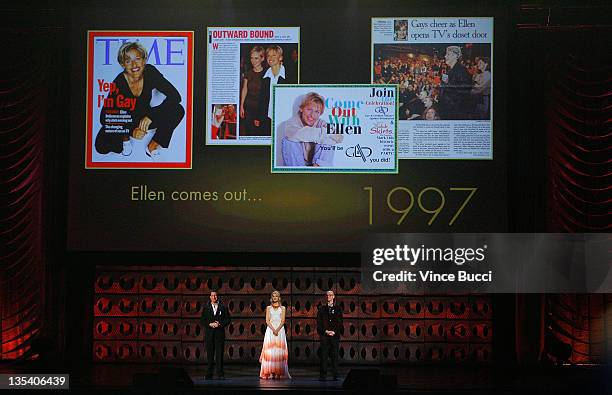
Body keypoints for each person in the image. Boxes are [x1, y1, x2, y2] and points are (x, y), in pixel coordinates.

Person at [95, 41, 185, 160]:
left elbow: (175, 96)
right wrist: (131, 131)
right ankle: (125, 138)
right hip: (127, 120)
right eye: (128, 61)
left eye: (138, 59)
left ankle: (152, 147)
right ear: (122, 64)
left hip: (145, 118)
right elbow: (104, 117)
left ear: (144, 60)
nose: (134, 65)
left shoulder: (150, 72)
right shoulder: (119, 82)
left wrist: (151, 116)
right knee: (101, 146)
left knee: (178, 110)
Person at [276, 92, 343, 167]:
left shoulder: (321, 123)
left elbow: (339, 137)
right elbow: (298, 134)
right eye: (309, 109)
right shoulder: (291, 123)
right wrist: (326, 134)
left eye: (317, 111)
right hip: (297, 163)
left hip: (315, 164)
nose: (312, 115)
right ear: (301, 108)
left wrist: (329, 134)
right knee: (289, 141)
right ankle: (297, 172)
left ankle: (319, 169)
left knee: (330, 139)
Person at [259, 291, 291, 379]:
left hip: (280, 330)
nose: (275, 297)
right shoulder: (268, 308)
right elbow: (267, 321)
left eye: (276, 296)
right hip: (270, 330)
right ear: (271, 297)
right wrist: (273, 329)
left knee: (279, 351)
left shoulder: (283, 308)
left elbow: (283, 321)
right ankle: (270, 372)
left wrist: (277, 330)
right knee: (270, 351)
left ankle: (278, 372)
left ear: (279, 297)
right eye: (273, 296)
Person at [256, 45, 286, 135]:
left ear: (280, 57)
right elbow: (261, 98)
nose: (270, 58)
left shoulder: (290, 76)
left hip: (283, 118)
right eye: (268, 55)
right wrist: (258, 117)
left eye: (274, 55)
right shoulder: (264, 76)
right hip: (266, 118)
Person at [201, 291, 231, 380]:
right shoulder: (206, 308)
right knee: (210, 355)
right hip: (209, 334)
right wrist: (209, 324)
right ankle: (209, 373)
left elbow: (228, 319)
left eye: (215, 295)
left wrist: (220, 324)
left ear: (217, 297)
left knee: (219, 355)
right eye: (212, 295)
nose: (214, 297)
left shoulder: (223, 307)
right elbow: (202, 320)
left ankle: (220, 374)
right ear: (210, 297)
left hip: (219, 334)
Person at [437, 46, 472, 120]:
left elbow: (464, 91)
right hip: (447, 109)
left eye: (448, 54)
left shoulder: (462, 70)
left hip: (454, 112)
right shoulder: (450, 70)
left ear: (455, 56)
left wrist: (447, 83)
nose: (445, 56)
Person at [317, 290, 343, 381]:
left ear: (333, 297)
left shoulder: (338, 308)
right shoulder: (321, 309)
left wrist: (334, 331)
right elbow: (319, 324)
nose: (329, 296)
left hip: (335, 336)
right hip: (325, 336)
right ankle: (323, 376)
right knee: (324, 356)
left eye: (330, 295)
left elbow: (340, 322)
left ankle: (335, 375)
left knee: (335, 356)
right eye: (327, 295)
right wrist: (326, 331)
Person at [239, 46, 266, 136]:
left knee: (259, 133)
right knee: (248, 132)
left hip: (260, 109)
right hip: (249, 108)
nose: (253, 61)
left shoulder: (266, 73)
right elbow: (244, 89)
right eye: (251, 58)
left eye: (256, 58)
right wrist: (241, 106)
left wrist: (260, 115)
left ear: (262, 58)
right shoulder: (248, 73)